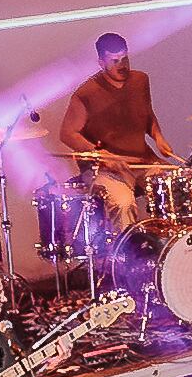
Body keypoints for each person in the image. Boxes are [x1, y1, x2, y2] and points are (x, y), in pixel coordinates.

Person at [47, 29, 176, 239]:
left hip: (142, 161)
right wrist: (103, 155)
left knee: (175, 187)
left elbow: (147, 115)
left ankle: (174, 252)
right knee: (124, 204)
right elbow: (68, 134)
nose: (122, 65)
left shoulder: (140, 81)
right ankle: (129, 260)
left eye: (125, 58)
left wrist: (158, 137)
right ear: (101, 62)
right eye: (115, 61)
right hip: (105, 169)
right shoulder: (85, 94)